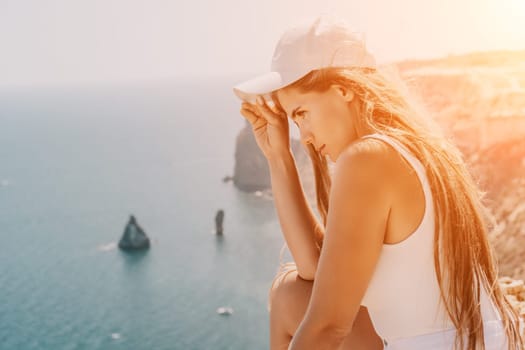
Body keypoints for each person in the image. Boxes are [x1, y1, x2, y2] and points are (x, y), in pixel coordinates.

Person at [232, 15, 523, 350]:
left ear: (342, 89)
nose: (306, 137)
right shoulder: (407, 144)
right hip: (476, 341)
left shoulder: (367, 159)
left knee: (291, 301)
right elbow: (315, 267)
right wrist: (278, 157)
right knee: (290, 295)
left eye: (301, 114)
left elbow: (328, 327)